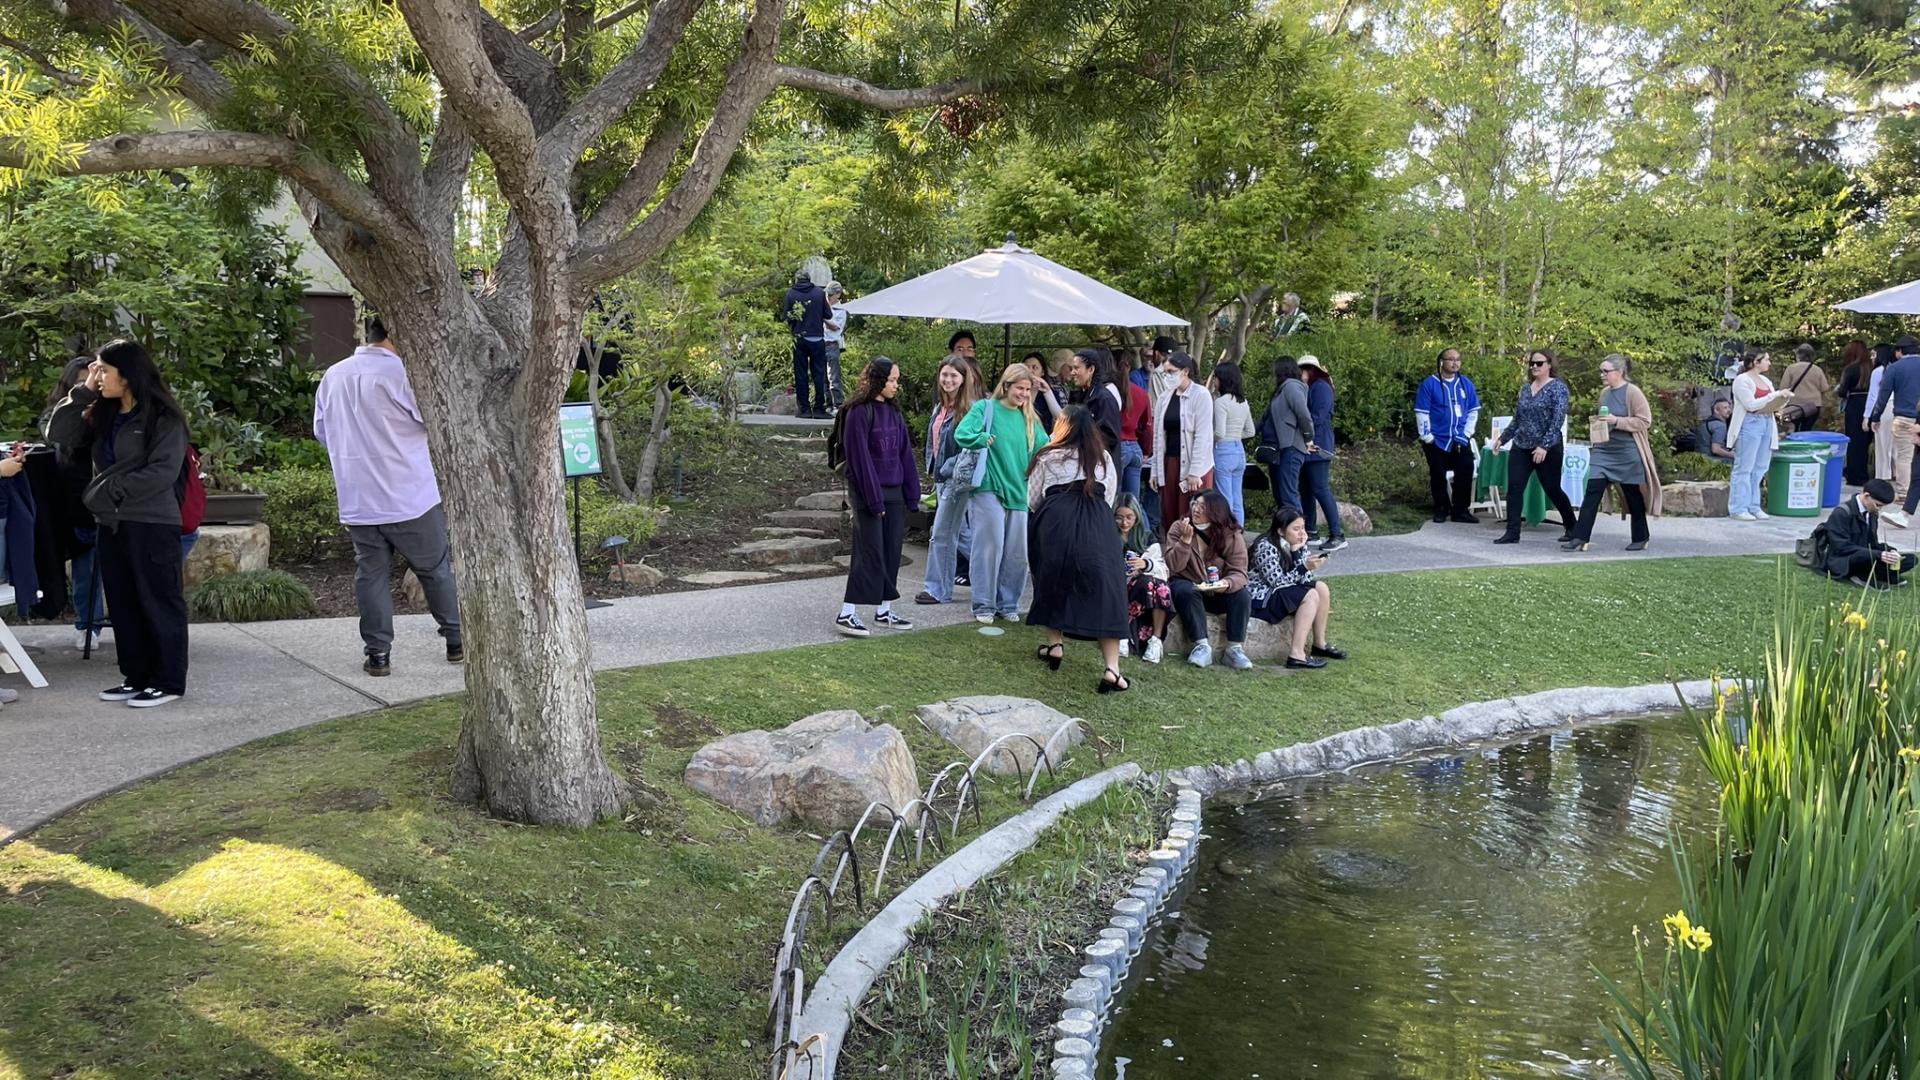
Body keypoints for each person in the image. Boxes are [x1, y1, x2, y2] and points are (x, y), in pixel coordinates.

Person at [313, 316, 463, 677]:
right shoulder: (403, 376)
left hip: (358, 496)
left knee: (371, 574)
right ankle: (456, 639)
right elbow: (438, 422)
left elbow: (321, 432)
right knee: (434, 569)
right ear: (398, 333)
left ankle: (378, 653)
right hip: (408, 493)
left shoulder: (333, 376)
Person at [46, 339, 190, 708]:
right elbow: (58, 435)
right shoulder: (103, 414)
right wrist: (82, 392)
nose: (98, 375)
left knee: (159, 601)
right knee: (123, 603)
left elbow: (162, 472)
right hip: (112, 523)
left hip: (152, 521)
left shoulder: (163, 418)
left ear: (127, 376)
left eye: (104, 370)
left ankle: (168, 681)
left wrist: (109, 491)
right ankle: (136, 676)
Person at [1025, 406, 1130, 692]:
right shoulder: (1104, 458)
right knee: (1108, 590)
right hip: (1096, 519)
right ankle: (1112, 670)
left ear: (1063, 427)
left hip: (1056, 518)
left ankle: (1055, 645)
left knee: (1053, 579)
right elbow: (1108, 496)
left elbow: (1033, 499)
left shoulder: (1047, 455)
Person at [953, 363, 1044, 623]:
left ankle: (1007, 604)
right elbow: (962, 433)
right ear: (1006, 386)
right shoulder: (985, 408)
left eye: (1027, 390)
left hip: (1020, 492)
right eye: (1020, 388)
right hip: (988, 487)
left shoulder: (1030, 418)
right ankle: (983, 604)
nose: (1024, 394)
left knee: (1017, 553)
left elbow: (1045, 447)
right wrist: (980, 438)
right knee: (988, 548)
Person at [835, 359, 920, 636]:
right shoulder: (858, 412)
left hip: (894, 493)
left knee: (891, 551)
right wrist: (874, 499)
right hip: (868, 494)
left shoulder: (894, 413)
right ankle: (847, 613)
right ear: (878, 380)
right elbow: (859, 460)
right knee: (868, 551)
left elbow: (905, 454)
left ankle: (884, 609)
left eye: (897, 380)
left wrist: (912, 493)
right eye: (892, 380)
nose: (896, 385)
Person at [1563, 355, 1663, 552]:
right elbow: (1604, 419)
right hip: (1605, 450)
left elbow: (1644, 421)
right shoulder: (1604, 393)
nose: (1602, 375)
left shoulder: (1633, 393)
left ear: (1619, 372)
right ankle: (1580, 537)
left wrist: (1617, 421)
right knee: (1592, 491)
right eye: (1601, 371)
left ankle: (1641, 537)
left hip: (1628, 452)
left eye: (1605, 371)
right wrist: (1598, 426)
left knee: (1632, 495)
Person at [41, 358, 107, 649]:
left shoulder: (111, 415)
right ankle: (87, 625)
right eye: (83, 383)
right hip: (71, 507)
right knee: (85, 570)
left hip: (107, 503)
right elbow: (57, 438)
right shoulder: (56, 417)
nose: (92, 387)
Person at [1490, 349, 1578, 544]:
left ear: (1549, 364)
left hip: (1548, 447)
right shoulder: (1526, 389)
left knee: (1552, 488)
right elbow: (1518, 418)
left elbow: (1558, 420)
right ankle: (1512, 532)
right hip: (1521, 445)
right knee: (1514, 488)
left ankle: (1572, 526)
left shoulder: (1558, 388)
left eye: (1539, 363)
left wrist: (1544, 446)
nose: (1534, 367)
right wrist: (1502, 439)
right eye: (1532, 363)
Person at [1247, 506, 1346, 669]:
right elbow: (1277, 582)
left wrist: (1297, 553)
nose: (1301, 533)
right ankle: (1297, 655)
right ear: (1280, 531)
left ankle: (1319, 644)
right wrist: (1303, 566)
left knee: (1321, 588)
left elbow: (1305, 579)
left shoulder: (1296, 543)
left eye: (1303, 528)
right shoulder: (1265, 546)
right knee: (1311, 595)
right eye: (1296, 529)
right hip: (1261, 598)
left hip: (1280, 592)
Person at [917, 356, 981, 605]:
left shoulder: (970, 409)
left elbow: (970, 451)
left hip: (957, 481)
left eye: (954, 376)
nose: (948, 380)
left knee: (941, 533)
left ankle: (937, 590)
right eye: (944, 374)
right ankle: (996, 574)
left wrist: (946, 470)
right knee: (964, 535)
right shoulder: (940, 407)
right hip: (942, 479)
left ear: (964, 379)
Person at [1164, 489, 1252, 669]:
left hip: (1217, 590)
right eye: (1195, 504)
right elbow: (1174, 566)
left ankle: (1234, 649)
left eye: (1203, 507)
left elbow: (1240, 572)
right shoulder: (1179, 527)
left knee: (1242, 595)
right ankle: (1201, 646)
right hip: (1188, 586)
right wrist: (1185, 542)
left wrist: (1227, 584)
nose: (1196, 509)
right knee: (1183, 589)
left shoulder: (1232, 534)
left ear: (1216, 511)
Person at [1148, 351, 1215, 530]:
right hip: (1169, 461)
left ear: (1185, 371)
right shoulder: (1164, 398)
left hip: (1195, 464)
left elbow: (1203, 436)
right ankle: (1174, 554)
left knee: (1195, 515)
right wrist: (1155, 470)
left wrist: (1195, 472)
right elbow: (1158, 436)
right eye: (1165, 373)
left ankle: (1197, 556)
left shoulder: (1201, 395)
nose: (1167, 376)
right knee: (1170, 514)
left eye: (1171, 372)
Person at [1415, 348, 1481, 523]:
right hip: (1437, 439)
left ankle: (1460, 510)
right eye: (1451, 359)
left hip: (1459, 438)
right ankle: (1441, 508)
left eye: (1458, 359)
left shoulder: (1466, 384)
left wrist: (1466, 434)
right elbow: (1422, 412)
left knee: (1466, 469)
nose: (1455, 363)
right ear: (1441, 362)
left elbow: (1473, 411)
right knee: (1438, 474)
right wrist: (1427, 437)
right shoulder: (1430, 384)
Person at [1819, 478, 1914, 588]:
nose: (1879, 509)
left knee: (1910, 559)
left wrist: (1887, 550)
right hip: (1844, 559)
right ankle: (1865, 575)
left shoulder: (1872, 514)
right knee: (1871, 557)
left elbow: (1873, 543)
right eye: (1878, 505)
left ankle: (1876, 574)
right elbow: (1841, 547)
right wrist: (1877, 555)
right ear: (1866, 496)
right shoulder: (1842, 513)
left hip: (1866, 556)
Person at [1297, 355, 1346, 551]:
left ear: (1310, 370)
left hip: (1319, 445)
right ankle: (1312, 531)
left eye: (1301, 370)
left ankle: (1337, 534)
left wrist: (1299, 427)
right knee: (1306, 489)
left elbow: (1317, 417)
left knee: (1320, 488)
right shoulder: (1309, 388)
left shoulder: (1321, 388)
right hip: (1307, 445)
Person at [1114, 493, 1170, 663]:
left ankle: (1156, 640)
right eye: (1119, 518)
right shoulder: (1108, 536)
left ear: (1137, 516)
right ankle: (1122, 634)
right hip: (1117, 585)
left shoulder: (1146, 537)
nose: (1125, 523)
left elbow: (1162, 570)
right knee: (1151, 585)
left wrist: (1145, 564)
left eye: (1129, 517)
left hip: (1143, 589)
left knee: (1160, 586)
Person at [1727, 350, 1783, 521]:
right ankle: (1738, 508)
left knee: (1760, 467)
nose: (1769, 362)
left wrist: (1779, 402)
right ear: (1755, 362)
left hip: (1767, 421)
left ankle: (1753, 505)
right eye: (1766, 359)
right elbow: (1750, 404)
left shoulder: (1766, 380)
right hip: (1750, 423)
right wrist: (1774, 396)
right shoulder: (1741, 380)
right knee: (1744, 466)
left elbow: (1770, 400)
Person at [1256, 356, 1313, 522]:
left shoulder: (1292, 387)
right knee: (1281, 495)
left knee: (1288, 495)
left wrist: (1309, 437)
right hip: (1279, 450)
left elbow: (1303, 415)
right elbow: (1264, 418)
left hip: (1291, 448)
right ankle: (1285, 535)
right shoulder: (1281, 390)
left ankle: (1299, 540)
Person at [1867, 336, 1920, 502]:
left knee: (1904, 456)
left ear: (1899, 351)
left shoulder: (1895, 368)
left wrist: (1875, 417)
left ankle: (1904, 493)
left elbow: (1883, 396)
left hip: (1904, 417)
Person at [781, 271, 831, 419]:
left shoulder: (790, 294)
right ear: (810, 280)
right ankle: (819, 409)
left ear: (796, 280)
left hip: (799, 339)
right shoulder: (819, 293)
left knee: (801, 375)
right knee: (819, 374)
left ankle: (804, 410)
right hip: (817, 338)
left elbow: (786, 317)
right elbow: (828, 315)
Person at [1209, 363, 1254, 524]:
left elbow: (1219, 433)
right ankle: (1238, 536)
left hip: (1224, 451)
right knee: (1237, 499)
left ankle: (1227, 536)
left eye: (1216, 377)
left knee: (1224, 499)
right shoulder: (1243, 402)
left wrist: (1207, 439)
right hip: (1239, 451)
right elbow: (1251, 431)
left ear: (1223, 379)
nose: (1214, 381)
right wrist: (1235, 435)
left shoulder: (1221, 402)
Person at [1116, 355, 1153, 509]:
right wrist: (1146, 450)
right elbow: (1148, 426)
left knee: (1115, 500)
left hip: (1117, 446)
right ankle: (1141, 532)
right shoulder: (1141, 393)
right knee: (1133, 503)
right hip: (1135, 447)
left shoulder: (1110, 392)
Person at [1837, 340, 1874, 486]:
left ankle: (1854, 474)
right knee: (1866, 442)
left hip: (1854, 404)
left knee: (1853, 441)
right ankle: (1864, 472)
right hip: (1871, 405)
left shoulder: (1851, 369)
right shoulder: (1873, 368)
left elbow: (1842, 391)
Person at [1776, 343, 1829, 433]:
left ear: (1798, 355)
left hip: (1795, 405)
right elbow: (1824, 388)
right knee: (1807, 430)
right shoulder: (1817, 369)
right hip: (1814, 406)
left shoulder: (1791, 368)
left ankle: (1795, 446)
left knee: (1793, 429)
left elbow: (1783, 388)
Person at [1868, 342, 1898, 482]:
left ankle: (1883, 475)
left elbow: (1873, 396)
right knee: (1897, 444)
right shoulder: (1898, 368)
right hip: (1899, 408)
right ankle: (1899, 473)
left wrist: (1868, 416)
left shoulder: (1878, 372)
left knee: (1882, 444)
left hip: (1884, 408)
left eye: (1874, 354)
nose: (1872, 357)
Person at [820, 282, 850, 414]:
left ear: (838, 295)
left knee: (833, 377)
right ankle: (828, 404)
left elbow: (835, 327)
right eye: (828, 294)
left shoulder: (841, 310)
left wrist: (823, 317)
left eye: (831, 294)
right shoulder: (822, 307)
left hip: (832, 344)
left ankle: (838, 405)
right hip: (820, 344)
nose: (828, 297)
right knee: (822, 377)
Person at [1704, 398, 1736, 464]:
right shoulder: (1719, 426)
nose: (1729, 410)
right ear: (1716, 410)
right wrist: (1734, 455)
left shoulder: (1707, 422)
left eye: (1729, 407)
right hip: (1710, 459)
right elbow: (1715, 449)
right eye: (1725, 408)